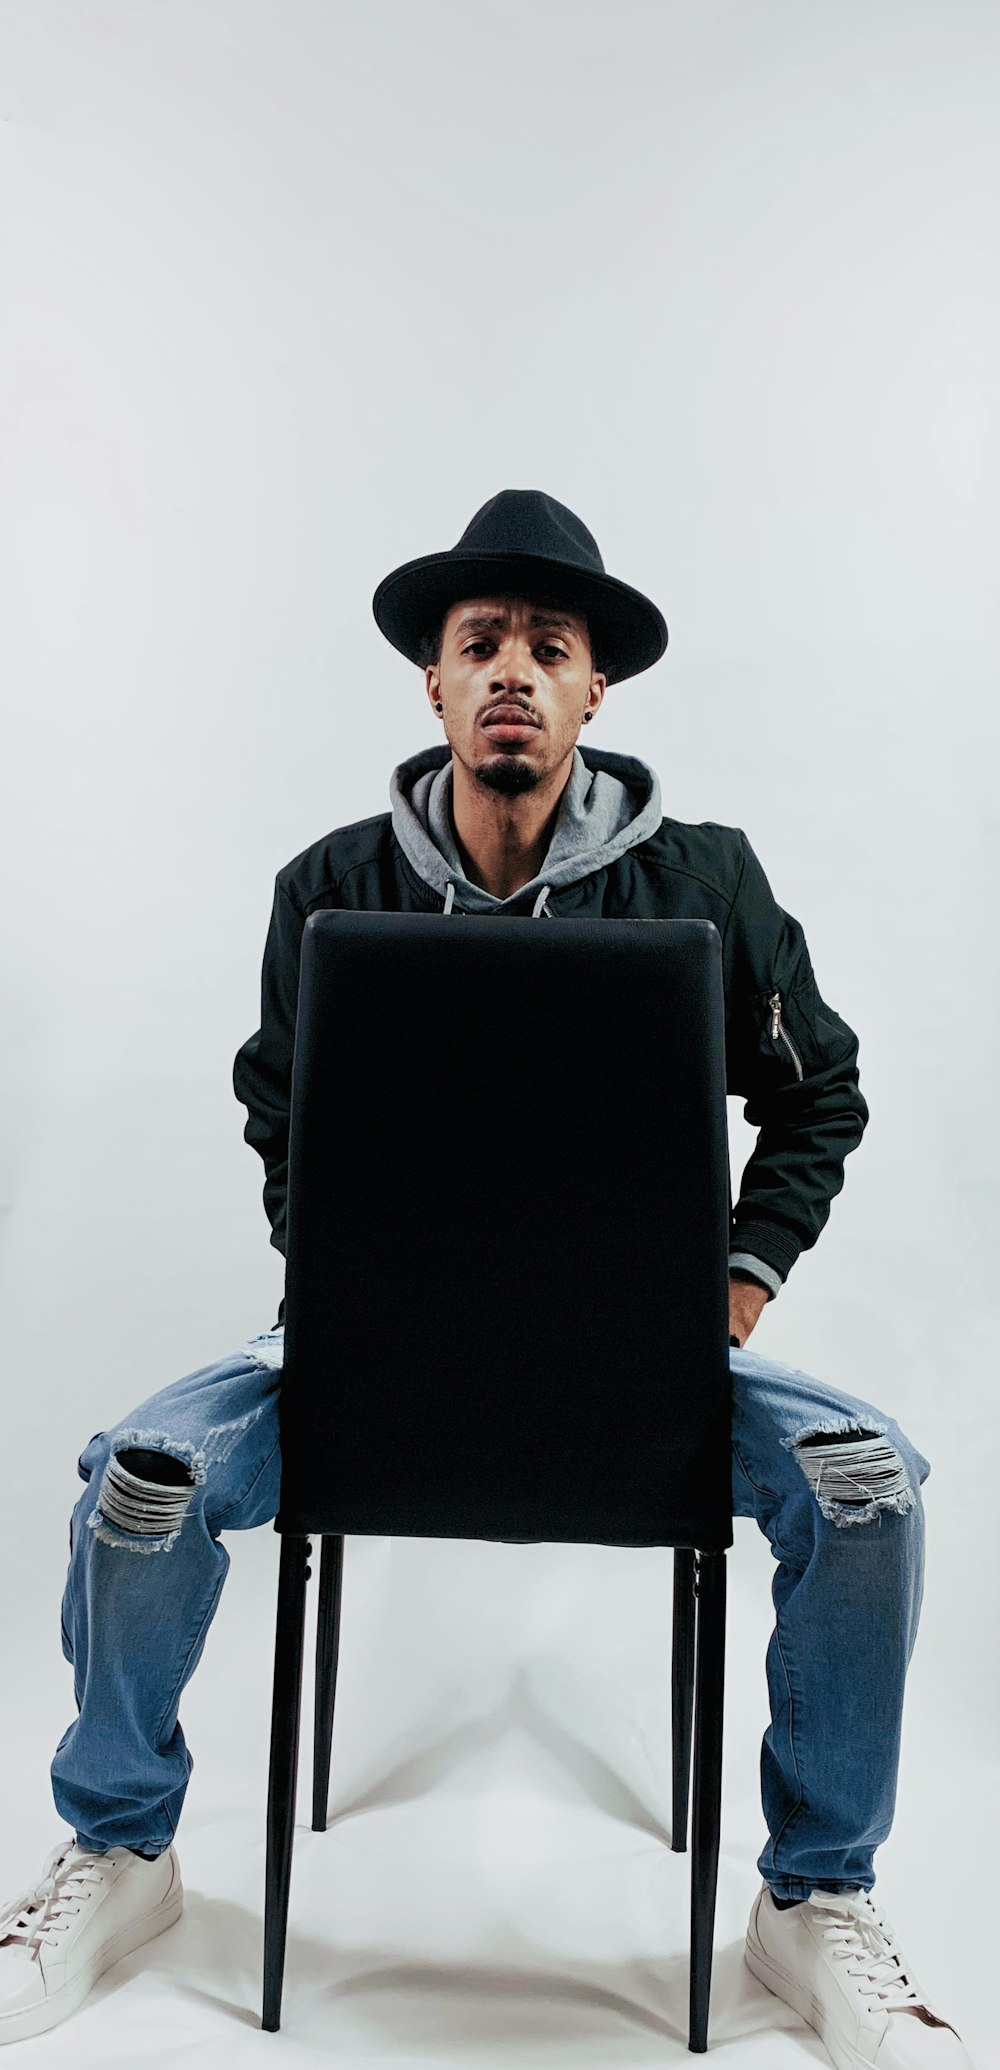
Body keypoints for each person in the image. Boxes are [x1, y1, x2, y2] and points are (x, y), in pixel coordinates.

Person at [0, 490, 974, 2069]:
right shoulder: (332, 885)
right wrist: (341, 1277)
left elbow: (821, 1093)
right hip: (361, 1358)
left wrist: (734, 1285)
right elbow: (280, 1098)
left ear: (597, 691)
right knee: (143, 1475)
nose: (513, 667)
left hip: (648, 1362)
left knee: (870, 1481)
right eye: (480, 645)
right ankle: (122, 1853)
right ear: (436, 687)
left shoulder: (705, 883)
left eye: (549, 645)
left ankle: (812, 1900)